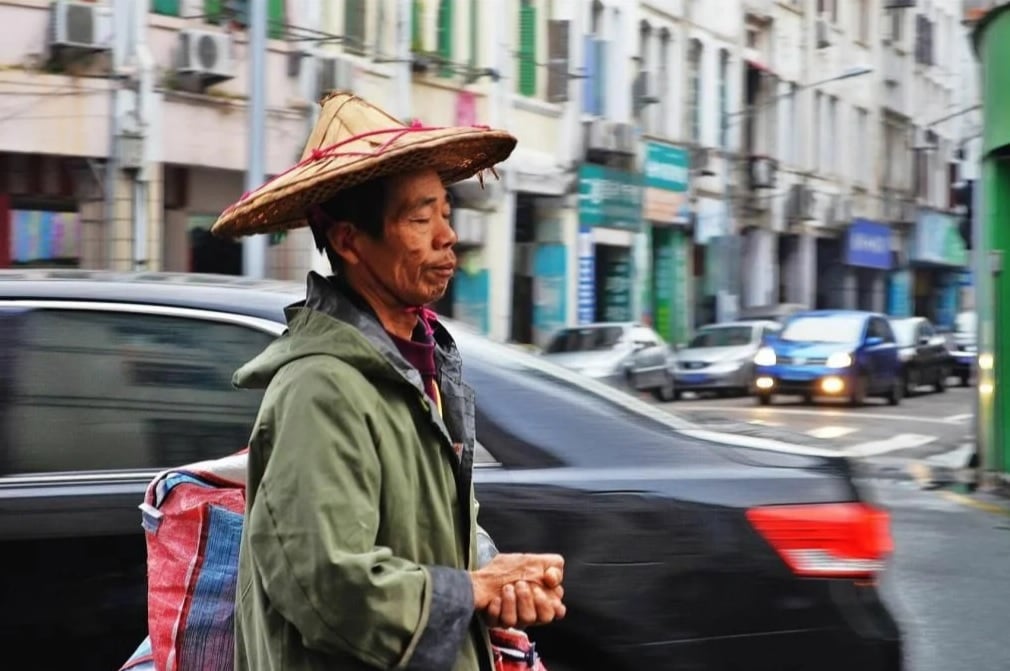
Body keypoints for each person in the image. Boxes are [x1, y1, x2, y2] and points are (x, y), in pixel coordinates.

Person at [211, 91, 566, 671]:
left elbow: (441, 534)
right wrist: (471, 591)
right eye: (419, 218)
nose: (447, 236)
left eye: (446, 214)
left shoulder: (417, 368)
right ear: (350, 241)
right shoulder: (319, 389)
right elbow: (328, 585)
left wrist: (500, 580)